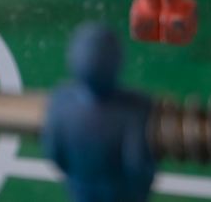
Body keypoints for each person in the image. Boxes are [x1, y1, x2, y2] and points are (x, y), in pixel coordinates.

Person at [44, 23, 156, 202]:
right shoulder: (134, 109)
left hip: (81, 190)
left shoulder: (61, 101)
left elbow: (55, 153)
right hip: (121, 194)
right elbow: (136, 164)